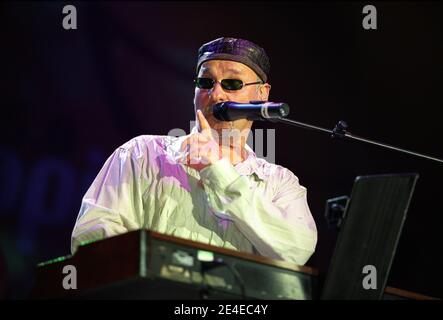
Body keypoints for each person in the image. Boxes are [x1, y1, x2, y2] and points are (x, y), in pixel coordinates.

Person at [71, 37, 317, 265]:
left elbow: (296, 251)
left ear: (262, 94)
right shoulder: (141, 154)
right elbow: (92, 237)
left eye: (232, 83)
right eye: (206, 82)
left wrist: (218, 171)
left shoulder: (280, 183)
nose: (216, 94)